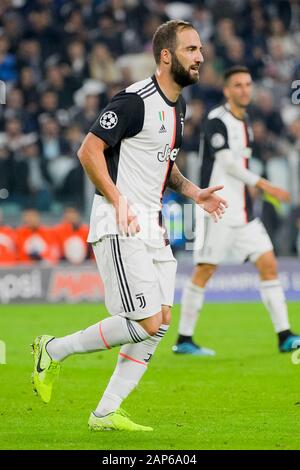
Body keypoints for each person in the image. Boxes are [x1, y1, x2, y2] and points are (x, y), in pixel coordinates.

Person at [32, 20, 227, 432]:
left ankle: (105, 413)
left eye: (200, 49)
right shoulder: (134, 100)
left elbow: (165, 167)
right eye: (191, 49)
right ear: (166, 56)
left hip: (152, 225)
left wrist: (195, 194)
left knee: (159, 324)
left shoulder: (179, 107)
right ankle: (53, 348)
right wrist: (118, 200)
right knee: (145, 323)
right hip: (120, 220)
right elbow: (89, 150)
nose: (200, 57)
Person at [173, 65, 300, 356]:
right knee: (205, 270)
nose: (244, 89)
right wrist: (265, 184)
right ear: (227, 90)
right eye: (238, 85)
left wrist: (252, 187)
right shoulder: (216, 120)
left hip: (243, 214)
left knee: (268, 263)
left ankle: (284, 335)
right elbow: (228, 163)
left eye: (248, 84)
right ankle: (184, 339)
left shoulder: (246, 122)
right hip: (217, 209)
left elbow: (237, 168)